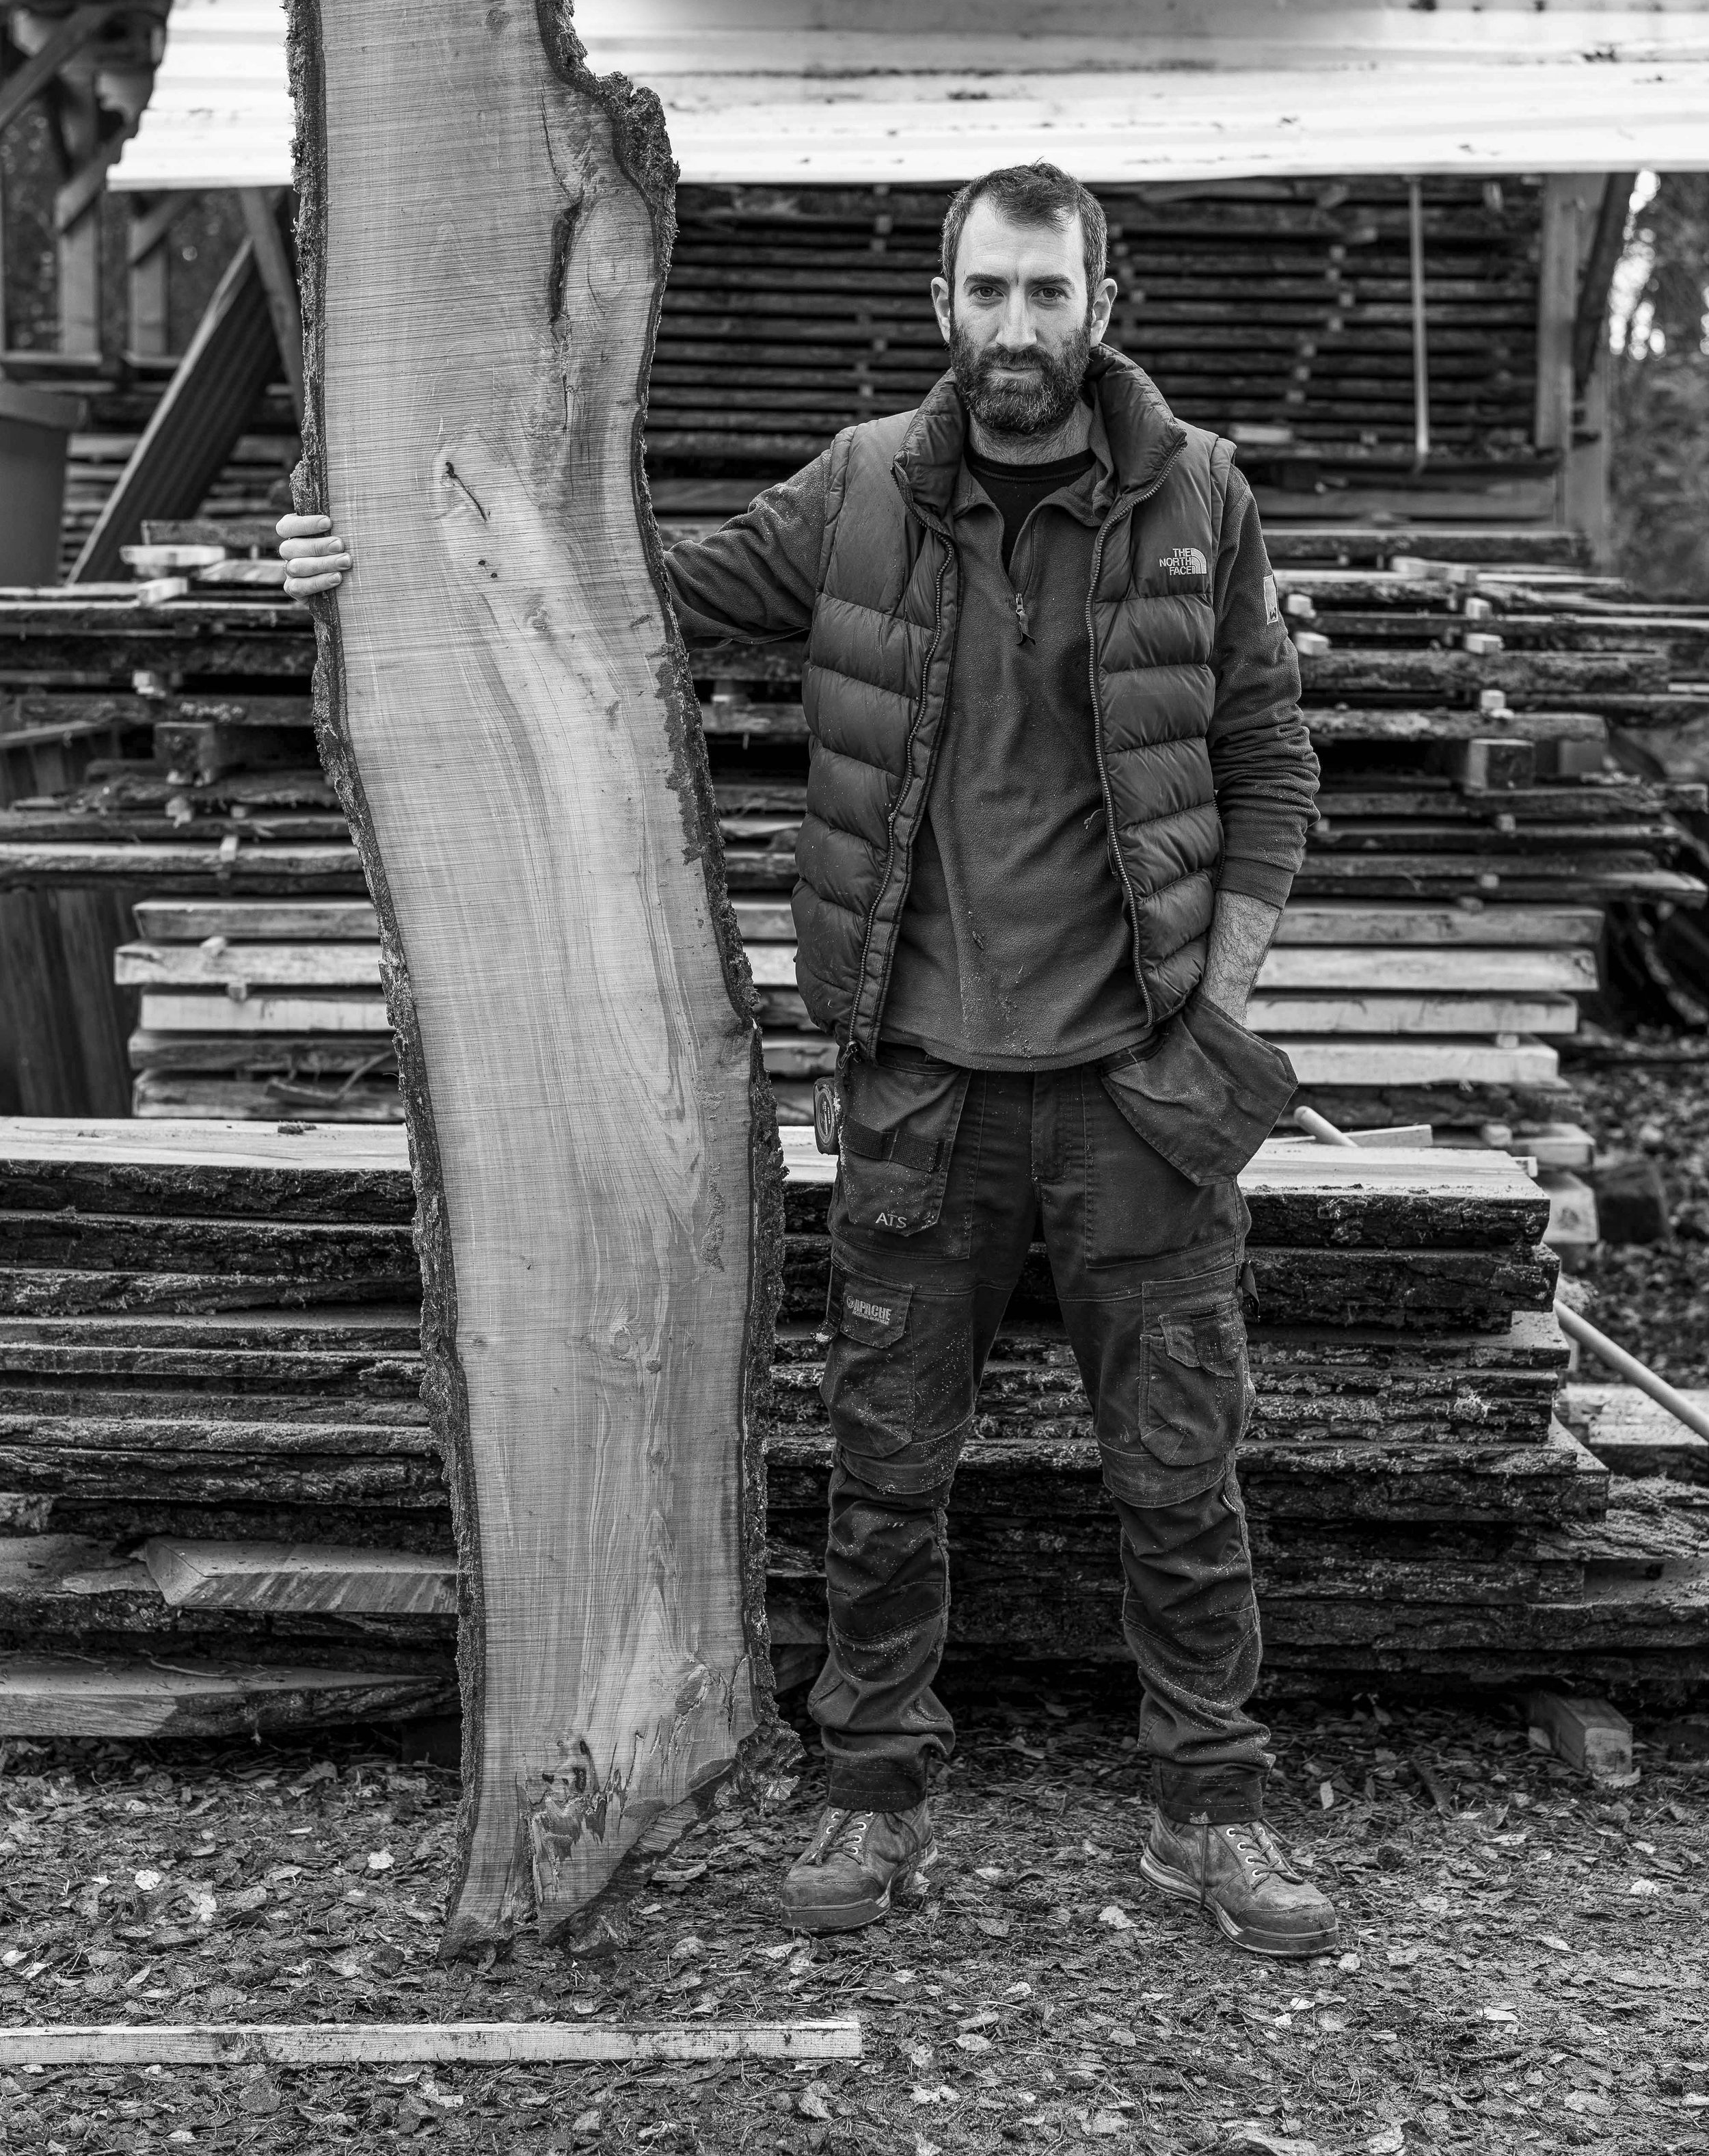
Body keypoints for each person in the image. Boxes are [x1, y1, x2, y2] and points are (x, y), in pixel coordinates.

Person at [280, 160, 1334, 1960]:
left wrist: (1215, 1010)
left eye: (1048, 292)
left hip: (1135, 1093)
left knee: (1179, 1468)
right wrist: (359, 543)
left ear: (1103, 304)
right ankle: (870, 1791)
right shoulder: (858, 491)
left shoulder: (1197, 497)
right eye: (988, 291)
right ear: (942, 303)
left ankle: (1211, 1809)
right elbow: (622, 588)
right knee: (883, 1468)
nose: (1016, 327)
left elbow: (1269, 767)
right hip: (920, 1081)